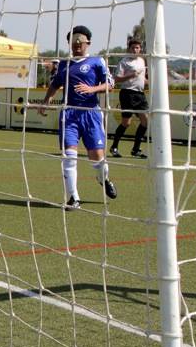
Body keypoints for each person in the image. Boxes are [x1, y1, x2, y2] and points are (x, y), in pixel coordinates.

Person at [36, 25, 117, 210]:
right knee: (69, 156)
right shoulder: (64, 64)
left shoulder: (97, 61)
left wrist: (92, 89)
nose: (77, 44)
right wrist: (46, 101)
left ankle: (103, 178)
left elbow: (110, 84)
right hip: (69, 114)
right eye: (73, 42)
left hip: (91, 114)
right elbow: (55, 85)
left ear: (88, 43)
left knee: (97, 159)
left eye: (80, 41)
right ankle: (73, 197)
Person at [109, 38, 149, 159]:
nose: (135, 50)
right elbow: (117, 79)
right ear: (129, 49)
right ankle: (114, 147)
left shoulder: (142, 61)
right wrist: (131, 75)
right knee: (126, 123)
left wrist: (151, 82)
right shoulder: (124, 62)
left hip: (140, 94)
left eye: (137, 48)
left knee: (145, 121)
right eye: (133, 48)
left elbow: (143, 78)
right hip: (127, 93)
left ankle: (136, 149)